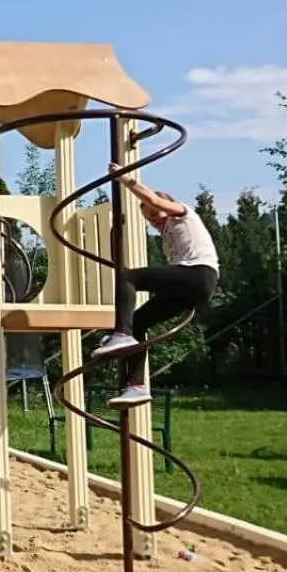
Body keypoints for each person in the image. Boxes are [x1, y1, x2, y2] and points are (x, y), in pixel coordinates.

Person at [90, 164, 220, 408]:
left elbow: (153, 200)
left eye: (156, 214)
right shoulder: (168, 235)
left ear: (167, 206)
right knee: (139, 321)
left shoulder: (184, 213)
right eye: (149, 219)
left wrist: (124, 179)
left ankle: (121, 334)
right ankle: (136, 387)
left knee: (128, 277)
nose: (154, 220)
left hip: (199, 274)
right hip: (191, 286)